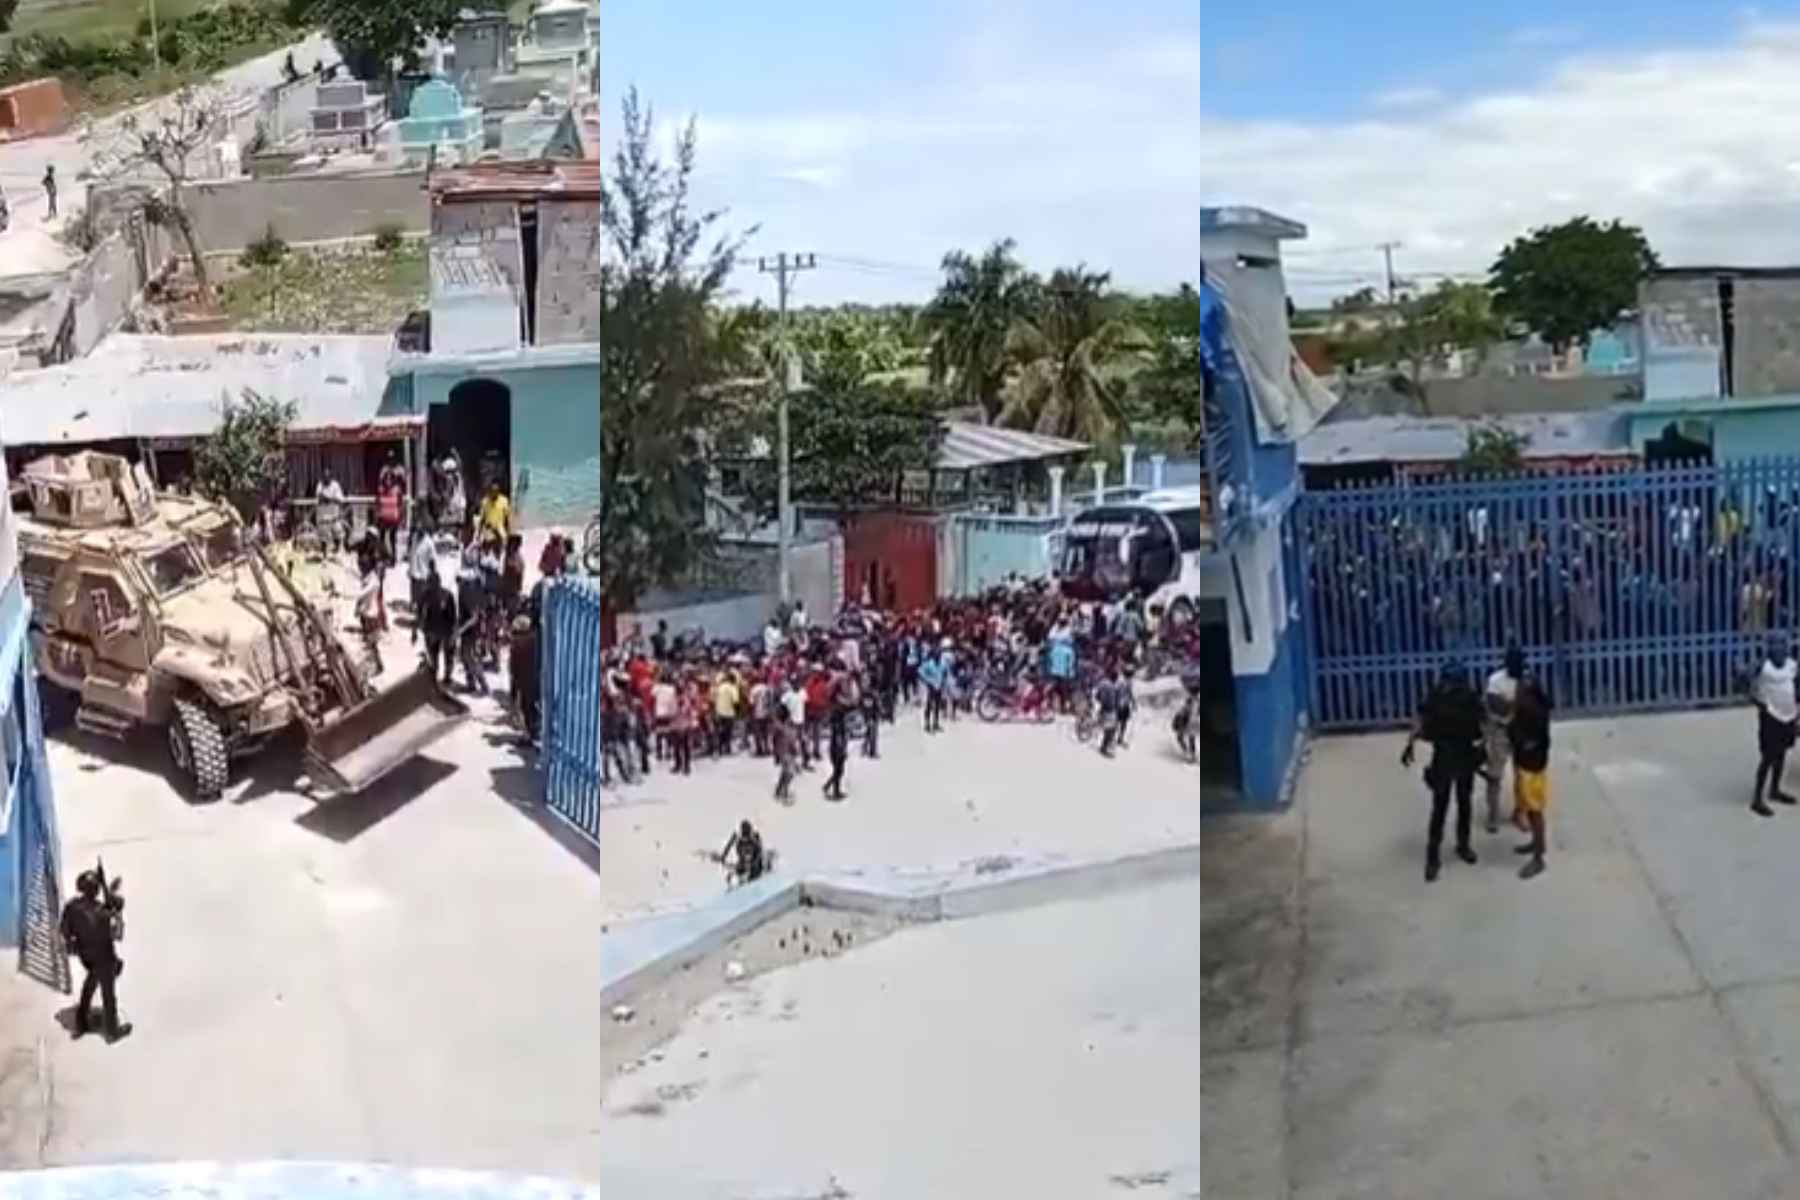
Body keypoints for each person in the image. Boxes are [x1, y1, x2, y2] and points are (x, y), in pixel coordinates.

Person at [1402, 660, 1486, 882]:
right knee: (1451, 804)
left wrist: (1410, 743)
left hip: (1453, 755)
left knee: (1448, 805)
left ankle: (1451, 850)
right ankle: (1440, 854)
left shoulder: (1455, 695)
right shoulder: (1448, 696)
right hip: (1452, 755)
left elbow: (1420, 720)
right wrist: (1410, 744)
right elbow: (1421, 719)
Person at [60, 869, 129, 1042]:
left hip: (86, 956)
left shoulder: (71, 907)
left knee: (91, 982)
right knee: (108, 993)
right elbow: (118, 932)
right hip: (104, 958)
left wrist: (74, 945)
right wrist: (112, 896)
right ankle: (112, 1032)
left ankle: (82, 1021)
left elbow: (64, 931)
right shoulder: (103, 912)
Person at [1508, 674, 1554, 880]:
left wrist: (1511, 731)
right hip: (1532, 764)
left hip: (1532, 767)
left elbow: (1523, 739)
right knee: (1531, 810)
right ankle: (1537, 844)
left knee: (1535, 812)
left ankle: (1538, 858)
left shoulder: (1531, 713)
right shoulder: (1536, 709)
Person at [1749, 631, 1800, 817]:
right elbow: (1745, 682)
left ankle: (1775, 789)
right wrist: (1757, 702)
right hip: (1771, 716)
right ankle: (1757, 798)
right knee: (1768, 757)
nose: (1780, 649)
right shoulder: (1763, 666)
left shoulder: (1792, 665)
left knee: (1782, 753)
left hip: (1789, 715)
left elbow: (1797, 687)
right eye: (1776, 645)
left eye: (1782, 645)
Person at [1483, 646, 1525, 834]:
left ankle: (1520, 812)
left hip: (1522, 731)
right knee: (1494, 775)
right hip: (1500, 731)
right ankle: (1493, 815)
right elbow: (1494, 707)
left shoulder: (1527, 678)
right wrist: (1513, 708)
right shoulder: (1495, 680)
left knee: (1522, 775)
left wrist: (1511, 707)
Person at [417, 571, 458, 687]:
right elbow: (453, 617)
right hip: (441, 632)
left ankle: (439, 678)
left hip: (435, 632)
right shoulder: (446, 594)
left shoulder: (427, 595)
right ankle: (445, 678)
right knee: (444, 657)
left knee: (437, 656)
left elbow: (420, 614)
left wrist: (421, 628)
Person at [509, 614, 539, 742]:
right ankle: (532, 733)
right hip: (526, 681)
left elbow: (514, 668)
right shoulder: (532, 643)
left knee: (529, 708)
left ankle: (533, 733)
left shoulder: (529, 645)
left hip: (529, 681)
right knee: (527, 708)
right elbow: (513, 669)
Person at [375, 452, 406, 563]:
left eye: (390, 479)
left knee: (392, 538)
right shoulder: (381, 487)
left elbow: (401, 504)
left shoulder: (397, 489)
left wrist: (401, 517)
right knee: (382, 538)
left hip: (393, 516)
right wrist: (377, 515)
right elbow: (377, 503)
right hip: (383, 516)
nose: (388, 480)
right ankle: (383, 557)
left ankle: (393, 558)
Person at [407, 526, 436, 644]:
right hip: (414, 574)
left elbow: (432, 560)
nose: (418, 532)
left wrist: (433, 576)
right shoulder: (414, 538)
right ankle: (418, 621)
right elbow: (412, 554)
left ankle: (422, 624)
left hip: (423, 576)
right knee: (415, 601)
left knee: (422, 602)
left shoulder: (429, 543)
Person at [721, 819, 766, 885]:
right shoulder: (736, 834)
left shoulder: (755, 835)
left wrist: (754, 863)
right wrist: (723, 857)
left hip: (754, 858)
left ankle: (752, 875)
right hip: (743, 858)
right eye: (744, 837)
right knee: (737, 871)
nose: (746, 838)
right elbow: (728, 846)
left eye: (747, 837)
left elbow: (760, 851)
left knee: (754, 873)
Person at [314, 470, 346, 554]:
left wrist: (329, 498)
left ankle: (336, 551)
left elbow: (340, 499)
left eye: (327, 477)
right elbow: (319, 497)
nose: (325, 479)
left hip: (334, 514)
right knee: (323, 536)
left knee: (338, 534)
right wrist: (329, 498)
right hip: (323, 514)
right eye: (324, 477)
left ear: (331, 477)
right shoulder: (320, 485)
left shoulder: (335, 485)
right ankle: (324, 555)